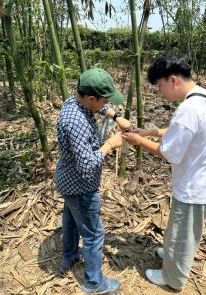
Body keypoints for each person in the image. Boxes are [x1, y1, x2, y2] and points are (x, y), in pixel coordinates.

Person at [122, 54, 206, 290]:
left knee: (184, 236)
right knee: (178, 229)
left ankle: (172, 279)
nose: (161, 93)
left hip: (197, 189)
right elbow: (183, 131)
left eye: (160, 86)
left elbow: (168, 154)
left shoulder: (188, 109)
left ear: (173, 80)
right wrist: (150, 132)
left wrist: (138, 140)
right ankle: (170, 252)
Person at [55, 68, 131, 294]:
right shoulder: (75, 121)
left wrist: (117, 116)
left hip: (68, 182)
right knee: (94, 234)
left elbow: (102, 105)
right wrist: (111, 144)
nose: (107, 103)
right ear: (91, 98)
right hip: (80, 185)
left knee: (70, 221)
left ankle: (69, 257)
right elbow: (87, 164)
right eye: (104, 99)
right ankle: (94, 283)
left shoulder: (77, 100)